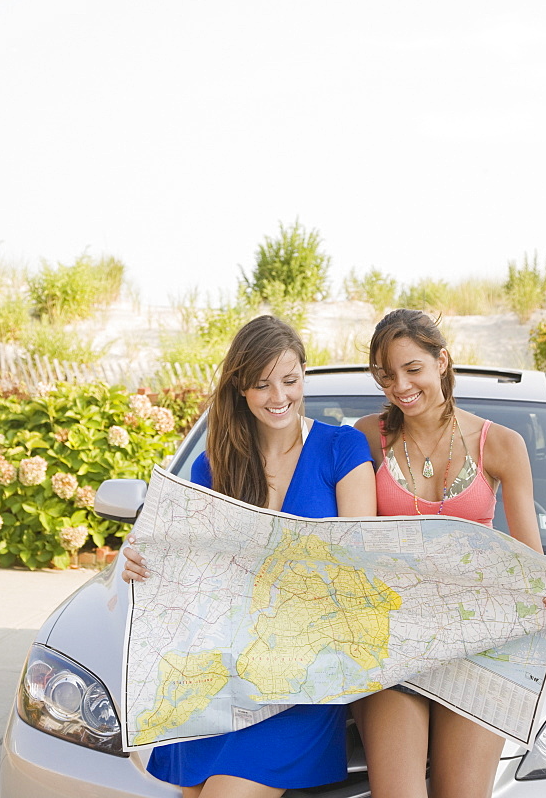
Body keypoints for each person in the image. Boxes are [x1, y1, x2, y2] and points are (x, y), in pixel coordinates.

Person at [122, 314, 376, 798]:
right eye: (261, 385)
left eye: (289, 380)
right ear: (240, 387)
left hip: (296, 683)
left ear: (305, 374)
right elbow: (189, 567)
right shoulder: (212, 464)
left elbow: (355, 566)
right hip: (218, 680)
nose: (278, 397)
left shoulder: (343, 448)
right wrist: (144, 561)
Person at [352, 308, 546, 798]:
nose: (400, 385)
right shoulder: (366, 438)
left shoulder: (500, 444)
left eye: (412, 368)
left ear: (442, 361)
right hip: (395, 642)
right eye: (386, 375)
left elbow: (531, 563)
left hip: (480, 645)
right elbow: (331, 535)